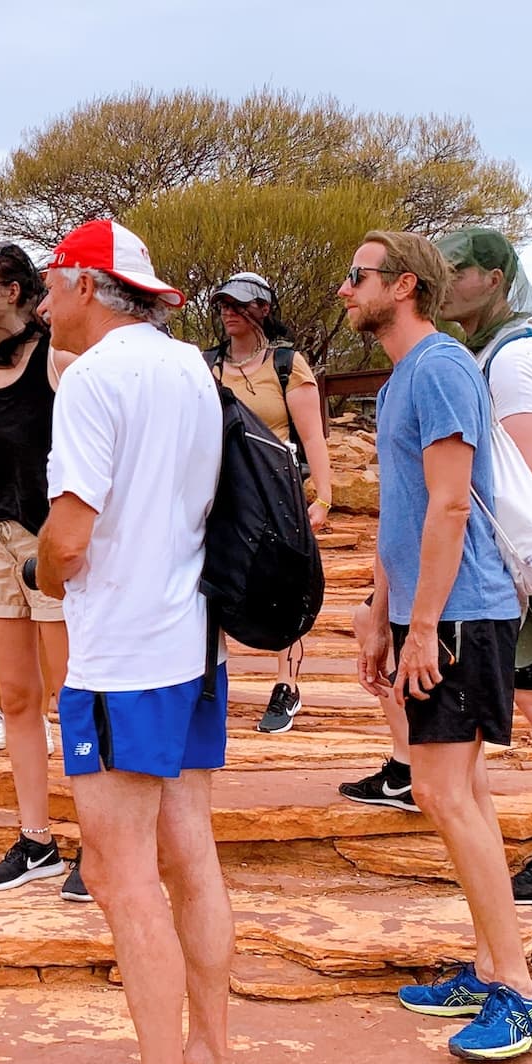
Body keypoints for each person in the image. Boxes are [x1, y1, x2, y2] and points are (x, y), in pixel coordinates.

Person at [33, 221, 237, 1064]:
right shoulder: (193, 367)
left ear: (85, 282)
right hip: (192, 638)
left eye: (49, 282)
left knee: (122, 878)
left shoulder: (93, 381)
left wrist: (41, 570)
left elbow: (70, 534)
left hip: (121, 653)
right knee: (189, 851)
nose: (41, 301)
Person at [340, 230, 532, 1062]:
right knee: (459, 787)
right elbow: (402, 510)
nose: (344, 290)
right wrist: (378, 610)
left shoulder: (438, 368)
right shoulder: (408, 375)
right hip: (434, 610)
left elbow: (449, 507)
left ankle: (519, 991)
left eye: (357, 277)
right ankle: (490, 965)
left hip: (464, 614)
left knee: (442, 794)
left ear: (403, 286)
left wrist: (425, 628)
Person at [0, 240, 81, 896]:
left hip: (51, 545)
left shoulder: (59, 363)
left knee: (72, 694)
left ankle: (100, 840)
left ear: (19, 291)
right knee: (18, 698)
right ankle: (37, 840)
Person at [202, 273, 335, 735]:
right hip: (223, 494)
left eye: (240, 304)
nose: (229, 311)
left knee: (284, 582)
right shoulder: (207, 365)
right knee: (214, 579)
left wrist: (324, 496)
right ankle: (206, 676)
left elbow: (313, 435)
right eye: (223, 304)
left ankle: (287, 684)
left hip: (278, 492)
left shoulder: (287, 364)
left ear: (263, 308)